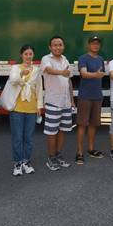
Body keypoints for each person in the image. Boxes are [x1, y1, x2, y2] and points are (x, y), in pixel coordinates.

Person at [0, 44, 43, 177]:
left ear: (33, 55)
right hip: (17, 107)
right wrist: (21, 74)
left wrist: (39, 106)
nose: (28, 56)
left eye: (30, 54)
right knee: (17, 137)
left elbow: (39, 89)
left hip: (31, 108)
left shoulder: (37, 70)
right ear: (21, 55)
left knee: (28, 138)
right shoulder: (16, 68)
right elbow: (13, 81)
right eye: (26, 54)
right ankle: (17, 163)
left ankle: (26, 162)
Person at [40, 36, 74, 171]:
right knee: (51, 132)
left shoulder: (65, 59)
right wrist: (62, 72)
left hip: (66, 102)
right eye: (55, 45)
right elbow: (49, 70)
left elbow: (69, 80)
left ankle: (58, 155)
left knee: (63, 130)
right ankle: (51, 158)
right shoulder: (46, 59)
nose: (58, 47)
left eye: (60, 45)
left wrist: (72, 100)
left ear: (63, 46)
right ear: (50, 47)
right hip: (53, 101)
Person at [75, 36, 107, 164]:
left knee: (93, 124)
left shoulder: (100, 59)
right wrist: (96, 74)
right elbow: (83, 73)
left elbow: (102, 74)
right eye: (93, 43)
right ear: (89, 45)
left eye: (97, 43)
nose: (95, 45)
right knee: (82, 124)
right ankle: (79, 152)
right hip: (85, 96)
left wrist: (98, 74)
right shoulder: (83, 58)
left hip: (97, 95)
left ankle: (91, 149)